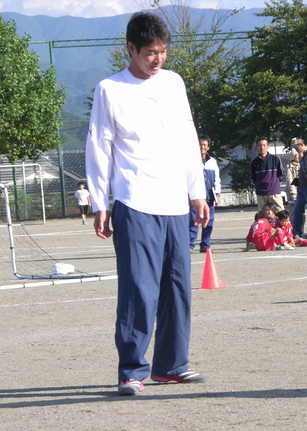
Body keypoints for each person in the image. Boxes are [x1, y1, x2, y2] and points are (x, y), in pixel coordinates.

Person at [85, 12, 209, 396]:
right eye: (150, 53)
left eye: (163, 52)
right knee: (139, 289)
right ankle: (132, 369)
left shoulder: (174, 84)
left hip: (175, 201)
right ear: (131, 49)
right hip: (133, 199)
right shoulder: (110, 89)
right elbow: (99, 146)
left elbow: (189, 139)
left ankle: (172, 365)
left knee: (177, 287)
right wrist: (99, 201)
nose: (158, 59)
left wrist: (197, 191)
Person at [190, 135, 220, 252]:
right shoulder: (192, 160)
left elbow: (217, 179)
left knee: (209, 222)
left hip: (209, 196)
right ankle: (190, 244)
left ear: (208, 147)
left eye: (204, 145)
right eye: (200, 145)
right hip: (196, 197)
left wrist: (217, 193)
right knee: (194, 221)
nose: (202, 147)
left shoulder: (212, 162)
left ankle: (205, 245)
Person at [251, 137, 284, 211]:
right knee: (262, 217)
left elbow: (281, 174)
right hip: (261, 193)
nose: (262, 147)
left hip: (274, 192)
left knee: (281, 214)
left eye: (264, 145)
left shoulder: (275, 159)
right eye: (259, 145)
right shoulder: (254, 162)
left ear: (268, 146)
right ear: (257, 147)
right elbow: (253, 178)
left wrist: (274, 185)